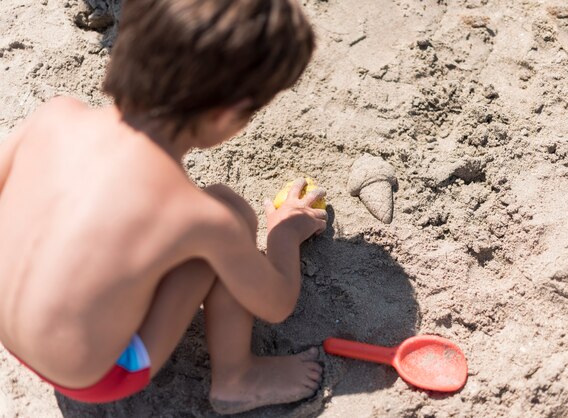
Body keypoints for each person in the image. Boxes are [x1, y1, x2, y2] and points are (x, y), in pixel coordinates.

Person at [0, 0, 327, 414]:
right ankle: (237, 379)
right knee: (230, 212)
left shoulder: (55, 117)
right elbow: (276, 303)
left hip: (11, 334)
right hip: (96, 375)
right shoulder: (199, 217)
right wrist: (284, 233)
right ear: (226, 114)